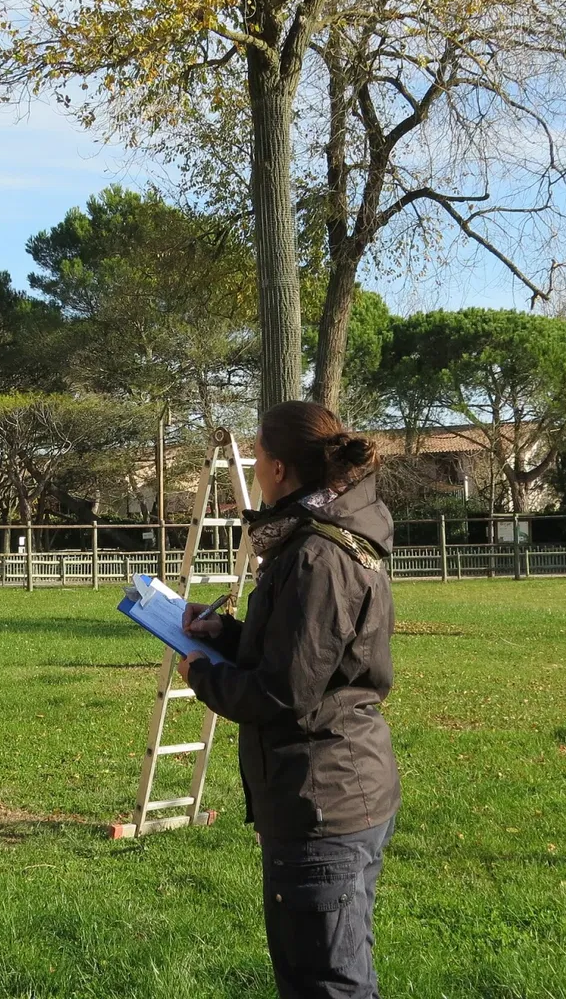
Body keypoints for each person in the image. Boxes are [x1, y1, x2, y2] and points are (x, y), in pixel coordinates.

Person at [180, 401, 399, 999]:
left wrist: (202, 674)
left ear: (276, 468)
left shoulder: (317, 555)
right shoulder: (326, 537)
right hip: (334, 787)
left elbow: (285, 690)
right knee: (337, 966)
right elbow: (306, 654)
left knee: (325, 982)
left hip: (323, 796)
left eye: (258, 459)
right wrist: (225, 635)